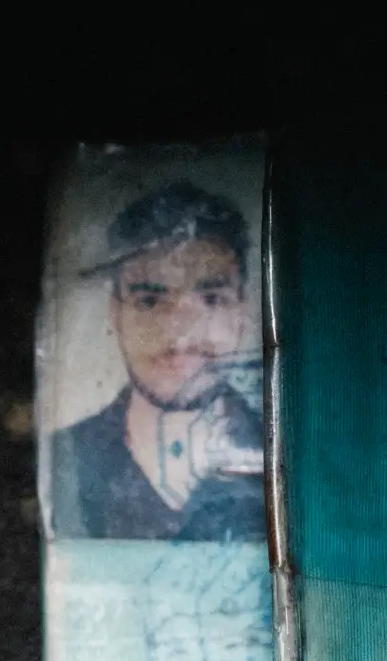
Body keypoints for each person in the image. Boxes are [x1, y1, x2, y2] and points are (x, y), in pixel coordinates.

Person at [48, 182, 266, 541]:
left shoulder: (288, 455)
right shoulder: (62, 459)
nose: (180, 335)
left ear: (242, 311)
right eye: (150, 301)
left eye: (211, 299)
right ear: (116, 314)